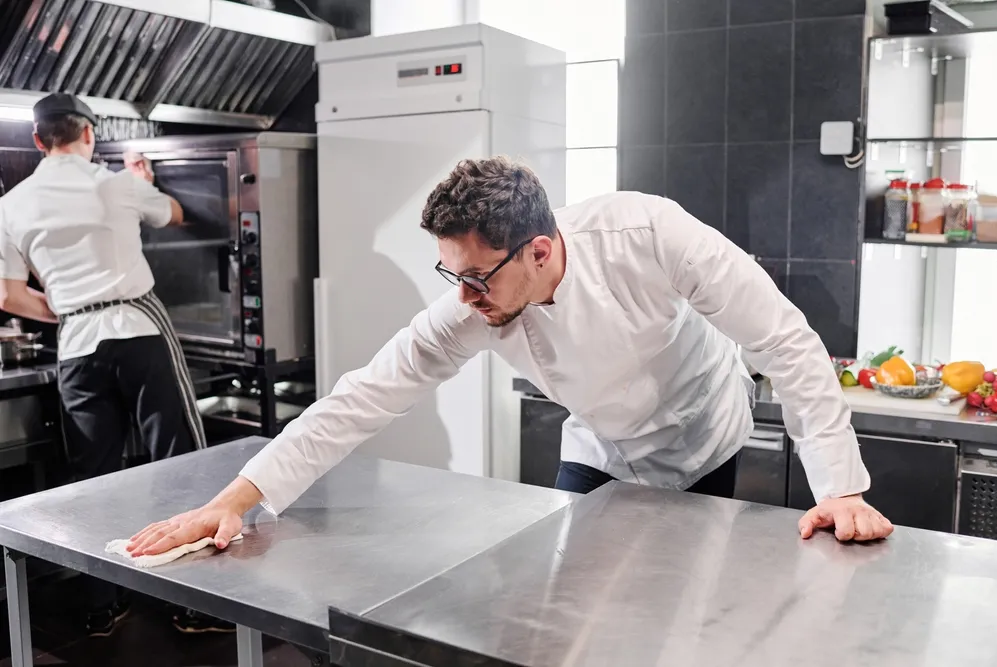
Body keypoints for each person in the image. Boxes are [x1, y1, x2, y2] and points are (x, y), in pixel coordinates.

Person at [129, 156, 893, 559]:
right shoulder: (481, 300)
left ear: (538, 248)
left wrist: (843, 487)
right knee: (570, 605)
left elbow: (784, 339)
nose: (462, 296)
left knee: (685, 601)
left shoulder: (649, 233)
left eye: (474, 276)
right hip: (600, 446)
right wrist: (234, 499)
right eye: (450, 274)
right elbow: (365, 394)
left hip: (702, 435)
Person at [0, 93, 220, 637]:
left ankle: (102, 608)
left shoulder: (12, 203)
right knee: (180, 463)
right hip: (138, 329)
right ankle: (195, 605)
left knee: (92, 478)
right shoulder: (113, 184)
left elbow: (9, 296)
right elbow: (174, 213)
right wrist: (142, 182)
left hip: (76, 345)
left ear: (36, 141)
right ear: (89, 135)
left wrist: (71, 309)